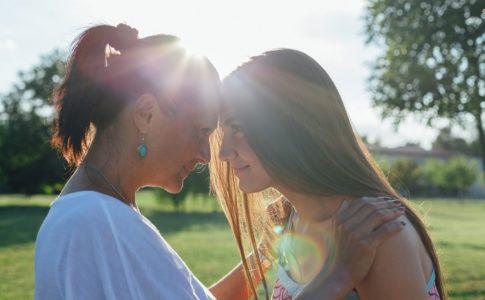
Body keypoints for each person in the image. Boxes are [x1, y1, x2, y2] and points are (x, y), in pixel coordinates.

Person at [35, 23, 405, 300]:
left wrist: (265, 250)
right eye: (200, 132)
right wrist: (338, 275)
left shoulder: (105, 213)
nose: (205, 155)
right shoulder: (90, 223)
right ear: (146, 113)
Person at [210, 48, 445, 299]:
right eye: (223, 131)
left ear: (290, 126)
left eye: (236, 127)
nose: (224, 153)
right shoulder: (290, 223)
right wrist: (265, 251)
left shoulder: (375, 235)